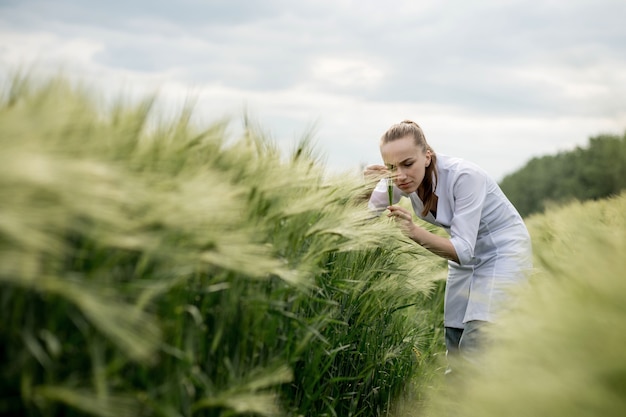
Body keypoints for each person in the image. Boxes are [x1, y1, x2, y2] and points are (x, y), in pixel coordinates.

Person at [364, 120, 532, 368]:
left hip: (502, 252)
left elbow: (463, 251)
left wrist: (413, 231)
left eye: (408, 164)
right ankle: (457, 404)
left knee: (477, 343)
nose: (399, 175)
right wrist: (363, 188)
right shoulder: (399, 178)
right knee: (455, 341)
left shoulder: (464, 177)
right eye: (391, 167)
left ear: (427, 157)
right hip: (462, 251)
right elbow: (363, 216)